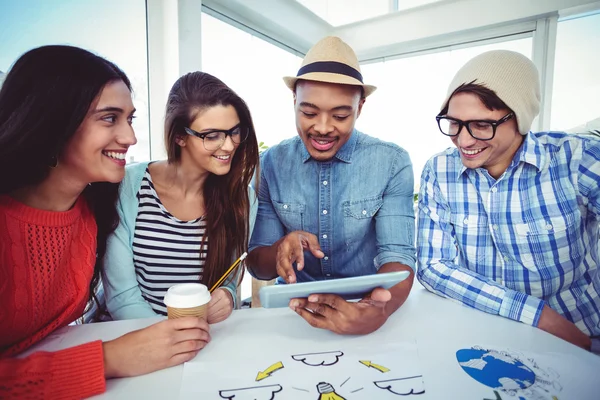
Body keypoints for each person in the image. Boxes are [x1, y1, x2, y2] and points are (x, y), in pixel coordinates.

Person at [0, 46, 210, 399]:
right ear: (54, 122)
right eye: (109, 118)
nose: (129, 138)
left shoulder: (91, 212)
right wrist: (107, 359)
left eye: (130, 119)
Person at [417, 50, 599, 351]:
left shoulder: (579, 159)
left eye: (481, 125)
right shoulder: (438, 170)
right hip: (481, 336)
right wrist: (536, 315)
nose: (464, 140)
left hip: (582, 337)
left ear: (520, 118)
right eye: (454, 123)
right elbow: (433, 266)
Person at [246, 36, 416, 335]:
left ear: (360, 107)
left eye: (340, 115)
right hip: (293, 313)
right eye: (309, 113)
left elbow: (398, 258)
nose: (323, 128)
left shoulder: (392, 162)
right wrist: (278, 252)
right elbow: (258, 264)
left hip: (364, 304)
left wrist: (379, 309)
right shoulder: (270, 164)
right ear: (294, 102)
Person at [102, 72, 259, 322]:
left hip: (201, 339)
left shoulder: (242, 198)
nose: (229, 145)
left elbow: (228, 279)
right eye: (212, 135)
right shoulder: (127, 187)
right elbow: (123, 297)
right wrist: (169, 339)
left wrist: (227, 296)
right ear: (179, 136)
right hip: (133, 337)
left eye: (234, 132)